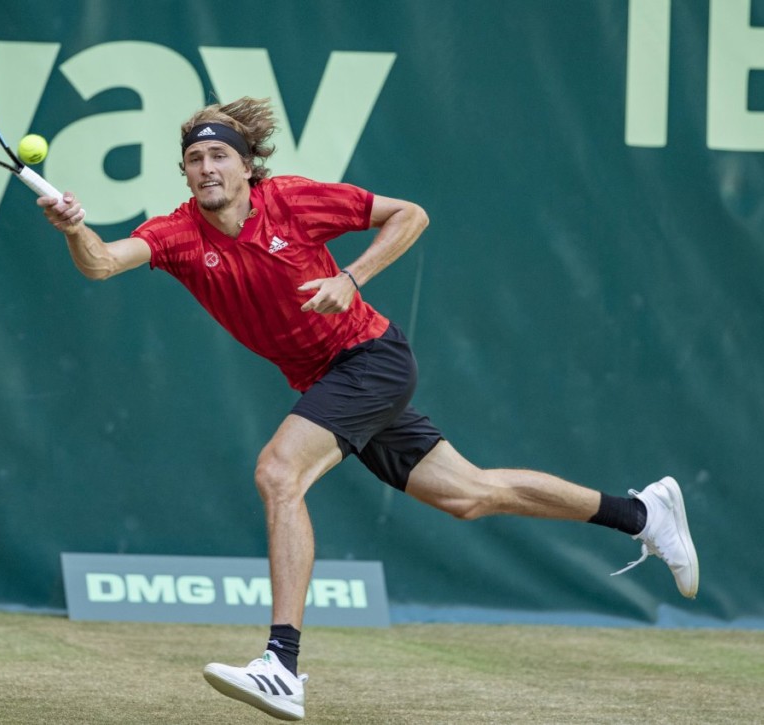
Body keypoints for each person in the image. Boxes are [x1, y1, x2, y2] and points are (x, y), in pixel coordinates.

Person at [37, 97, 698, 722]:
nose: (206, 167)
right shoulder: (177, 233)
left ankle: (281, 665)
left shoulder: (291, 200)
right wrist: (74, 229)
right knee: (470, 495)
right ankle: (642, 514)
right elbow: (102, 262)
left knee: (279, 473)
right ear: (184, 171)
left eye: (219, 156)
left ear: (246, 165)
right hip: (329, 379)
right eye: (194, 159)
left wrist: (350, 278)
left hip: (370, 359)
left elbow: (411, 214)